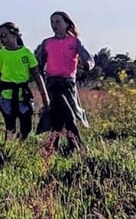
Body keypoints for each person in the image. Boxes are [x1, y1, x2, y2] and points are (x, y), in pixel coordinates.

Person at [34, 11, 93, 149]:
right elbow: (38, 63)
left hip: (68, 84)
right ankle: (78, 146)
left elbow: (88, 58)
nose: (54, 25)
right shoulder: (47, 43)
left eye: (58, 22)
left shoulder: (74, 42)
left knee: (59, 117)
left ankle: (52, 146)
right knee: (69, 115)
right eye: (52, 22)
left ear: (67, 24)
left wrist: (88, 65)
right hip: (53, 84)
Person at [0, 22, 42, 138]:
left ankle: (21, 144)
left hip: (23, 95)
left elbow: (37, 75)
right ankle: (10, 149)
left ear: (15, 34)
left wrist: (45, 96)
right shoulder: (0, 55)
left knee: (26, 125)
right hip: (6, 96)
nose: (1, 39)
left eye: (4, 35)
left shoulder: (26, 53)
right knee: (10, 126)